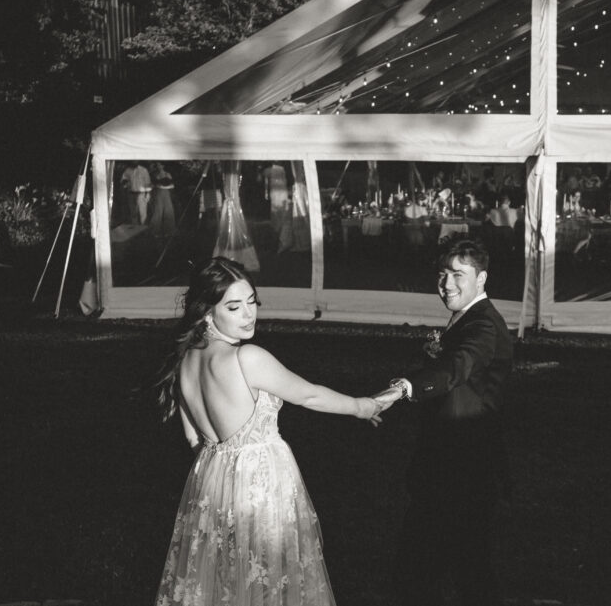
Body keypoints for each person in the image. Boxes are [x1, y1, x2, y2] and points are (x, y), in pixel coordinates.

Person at [152, 257, 385, 606]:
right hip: (258, 485)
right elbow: (308, 394)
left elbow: (192, 438)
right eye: (234, 306)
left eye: (251, 302)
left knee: (224, 581)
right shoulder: (246, 358)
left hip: (211, 482)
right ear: (206, 312)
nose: (249, 314)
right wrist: (362, 406)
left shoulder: (184, 362)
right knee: (268, 582)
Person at [375, 238, 513, 606]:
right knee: (459, 563)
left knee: (431, 563)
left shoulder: (483, 325)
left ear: (481, 278)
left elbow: (458, 366)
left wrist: (405, 388)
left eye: (458, 274)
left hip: (462, 466)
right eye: (442, 273)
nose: (447, 283)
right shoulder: (469, 317)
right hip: (452, 463)